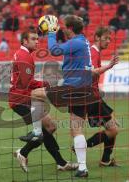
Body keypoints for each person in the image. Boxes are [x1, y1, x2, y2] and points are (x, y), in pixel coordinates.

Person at [24, 15, 94, 177]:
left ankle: (36, 132)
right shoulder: (83, 41)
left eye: (64, 27)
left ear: (70, 29)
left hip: (73, 88)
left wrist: (51, 32)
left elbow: (55, 50)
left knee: (35, 93)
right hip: (84, 89)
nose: (62, 29)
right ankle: (83, 168)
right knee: (77, 130)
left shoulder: (76, 42)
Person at [10, 27, 78, 172]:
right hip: (20, 100)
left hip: (23, 98)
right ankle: (61, 162)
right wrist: (46, 84)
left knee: (51, 126)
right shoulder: (24, 56)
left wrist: (44, 84)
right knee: (44, 131)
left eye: (37, 39)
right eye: (33, 39)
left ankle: (22, 152)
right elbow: (26, 83)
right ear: (24, 41)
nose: (37, 42)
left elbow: (26, 81)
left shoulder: (23, 54)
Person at [83, 26, 120, 167]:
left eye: (110, 38)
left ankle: (105, 160)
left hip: (94, 95)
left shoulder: (95, 52)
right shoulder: (93, 52)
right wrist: (109, 66)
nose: (108, 41)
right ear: (97, 37)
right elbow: (90, 72)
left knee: (113, 126)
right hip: (91, 97)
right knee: (113, 129)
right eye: (106, 38)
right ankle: (82, 146)